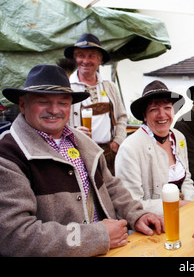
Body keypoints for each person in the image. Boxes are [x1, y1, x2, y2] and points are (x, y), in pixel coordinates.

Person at [0, 65, 164, 257]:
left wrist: (137, 215)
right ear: (22, 104)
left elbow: (111, 187)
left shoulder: (83, 142)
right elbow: (14, 236)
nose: (54, 110)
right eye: (43, 102)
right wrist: (97, 236)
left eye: (63, 103)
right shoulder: (8, 154)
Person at [115, 80, 194, 215]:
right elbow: (131, 202)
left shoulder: (179, 137)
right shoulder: (129, 148)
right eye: (154, 109)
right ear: (144, 116)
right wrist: (179, 205)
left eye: (167, 108)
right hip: (151, 224)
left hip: (185, 214)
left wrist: (191, 204)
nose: (162, 114)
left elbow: (187, 179)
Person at [65, 33, 127, 175]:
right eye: (81, 55)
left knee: (111, 191)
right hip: (80, 152)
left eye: (91, 56)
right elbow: (58, 123)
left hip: (109, 153)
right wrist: (73, 132)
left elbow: (122, 117)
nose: (85, 61)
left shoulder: (109, 86)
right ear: (75, 59)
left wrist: (118, 140)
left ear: (99, 60)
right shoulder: (67, 87)